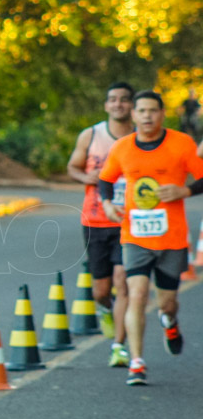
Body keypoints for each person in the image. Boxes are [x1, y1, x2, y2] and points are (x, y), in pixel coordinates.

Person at [98, 90, 203, 386]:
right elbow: (105, 179)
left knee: (167, 303)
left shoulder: (181, 144)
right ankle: (137, 362)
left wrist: (185, 191)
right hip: (134, 235)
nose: (147, 116)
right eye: (141, 110)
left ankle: (169, 322)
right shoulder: (122, 148)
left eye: (152, 111)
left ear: (162, 114)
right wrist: (108, 204)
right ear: (133, 115)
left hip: (172, 238)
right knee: (137, 294)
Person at [67, 82, 134, 366]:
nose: (118, 104)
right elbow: (73, 167)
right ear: (106, 105)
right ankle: (106, 310)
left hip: (129, 222)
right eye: (113, 100)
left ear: (131, 105)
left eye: (123, 100)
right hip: (95, 220)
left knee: (123, 280)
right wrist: (88, 178)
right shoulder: (91, 135)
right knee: (101, 291)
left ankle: (119, 346)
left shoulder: (139, 138)